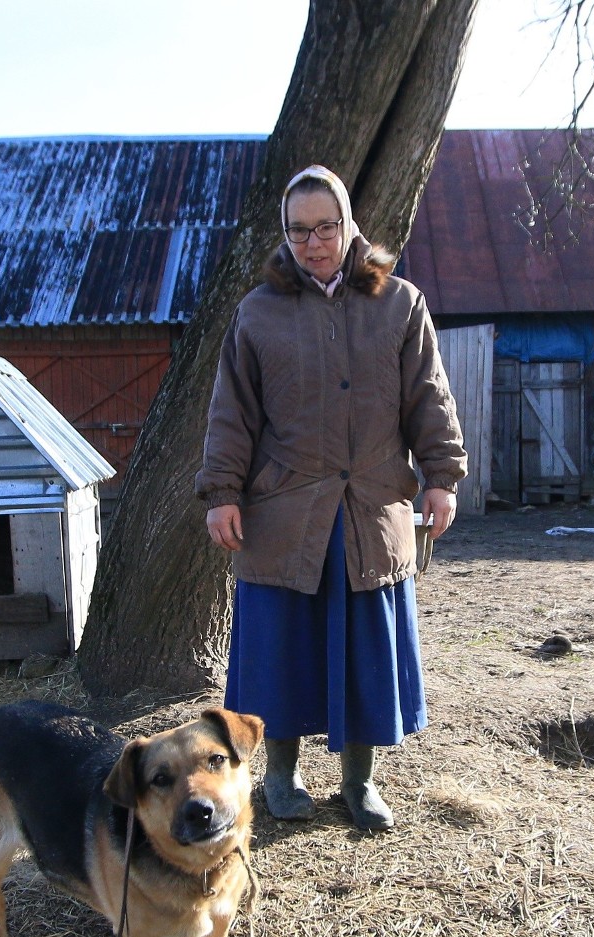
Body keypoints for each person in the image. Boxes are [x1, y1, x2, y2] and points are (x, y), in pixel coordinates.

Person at [195, 164, 467, 831]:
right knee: (282, 651)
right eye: (298, 230)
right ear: (284, 236)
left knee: (364, 653)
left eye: (325, 227)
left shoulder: (400, 304)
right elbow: (232, 411)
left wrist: (441, 475)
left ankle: (360, 781)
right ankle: (280, 776)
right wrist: (222, 492)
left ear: (348, 227)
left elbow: (427, 395)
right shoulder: (257, 313)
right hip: (283, 509)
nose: (314, 242)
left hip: (371, 507)